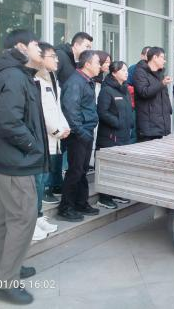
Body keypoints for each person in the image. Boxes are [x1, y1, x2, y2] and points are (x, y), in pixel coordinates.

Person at [0, 29, 48, 305]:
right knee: (22, 218)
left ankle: (9, 267)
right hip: (14, 161)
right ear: (21, 47)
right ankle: (6, 282)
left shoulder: (16, 75)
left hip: (7, 159)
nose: (40, 50)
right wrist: (33, 146)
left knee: (6, 219)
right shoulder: (14, 77)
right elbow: (9, 122)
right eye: (35, 45)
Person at [58, 50, 101, 221]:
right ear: (88, 64)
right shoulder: (75, 82)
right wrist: (81, 132)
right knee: (75, 171)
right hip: (78, 134)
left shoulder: (87, 81)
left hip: (86, 131)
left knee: (82, 170)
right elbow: (70, 110)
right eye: (97, 62)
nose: (100, 66)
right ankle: (66, 207)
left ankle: (80, 202)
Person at [34, 42, 71, 238]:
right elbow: (42, 112)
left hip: (53, 137)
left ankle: (38, 216)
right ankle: (34, 218)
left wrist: (64, 126)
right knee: (38, 180)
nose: (57, 60)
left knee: (42, 178)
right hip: (42, 137)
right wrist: (57, 130)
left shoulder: (51, 78)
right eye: (53, 56)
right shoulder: (35, 80)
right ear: (40, 58)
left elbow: (56, 107)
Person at [96, 61, 134, 209]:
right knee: (108, 166)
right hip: (110, 136)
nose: (126, 72)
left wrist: (129, 123)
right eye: (123, 70)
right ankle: (104, 197)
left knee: (119, 166)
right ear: (114, 73)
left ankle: (115, 192)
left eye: (126, 70)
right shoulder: (107, 90)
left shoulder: (124, 89)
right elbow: (102, 112)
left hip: (124, 134)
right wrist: (118, 123)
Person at [133, 47, 173, 141]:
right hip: (148, 125)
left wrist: (169, 110)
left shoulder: (160, 74)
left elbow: (164, 96)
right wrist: (162, 83)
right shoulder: (140, 72)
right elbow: (144, 92)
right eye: (162, 57)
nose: (164, 61)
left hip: (160, 123)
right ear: (155, 57)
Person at [127, 46, 150, 143]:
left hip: (150, 108)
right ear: (142, 56)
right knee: (135, 133)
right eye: (148, 55)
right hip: (136, 106)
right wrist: (140, 90)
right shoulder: (133, 68)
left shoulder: (155, 70)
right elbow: (126, 86)